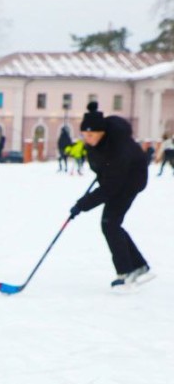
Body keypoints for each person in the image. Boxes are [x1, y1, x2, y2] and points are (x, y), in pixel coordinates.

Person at [68, 102, 153, 290]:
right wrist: (101, 173)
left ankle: (127, 272)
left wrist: (82, 204)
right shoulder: (95, 144)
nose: (87, 138)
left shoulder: (118, 146)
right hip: (116, 181)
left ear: (102, 132)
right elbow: (103, 171)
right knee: (112, 223)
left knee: (110, 223)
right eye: (84, 134)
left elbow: (111, 186)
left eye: (91, 134)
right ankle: (138, 266)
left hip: (131, 181)